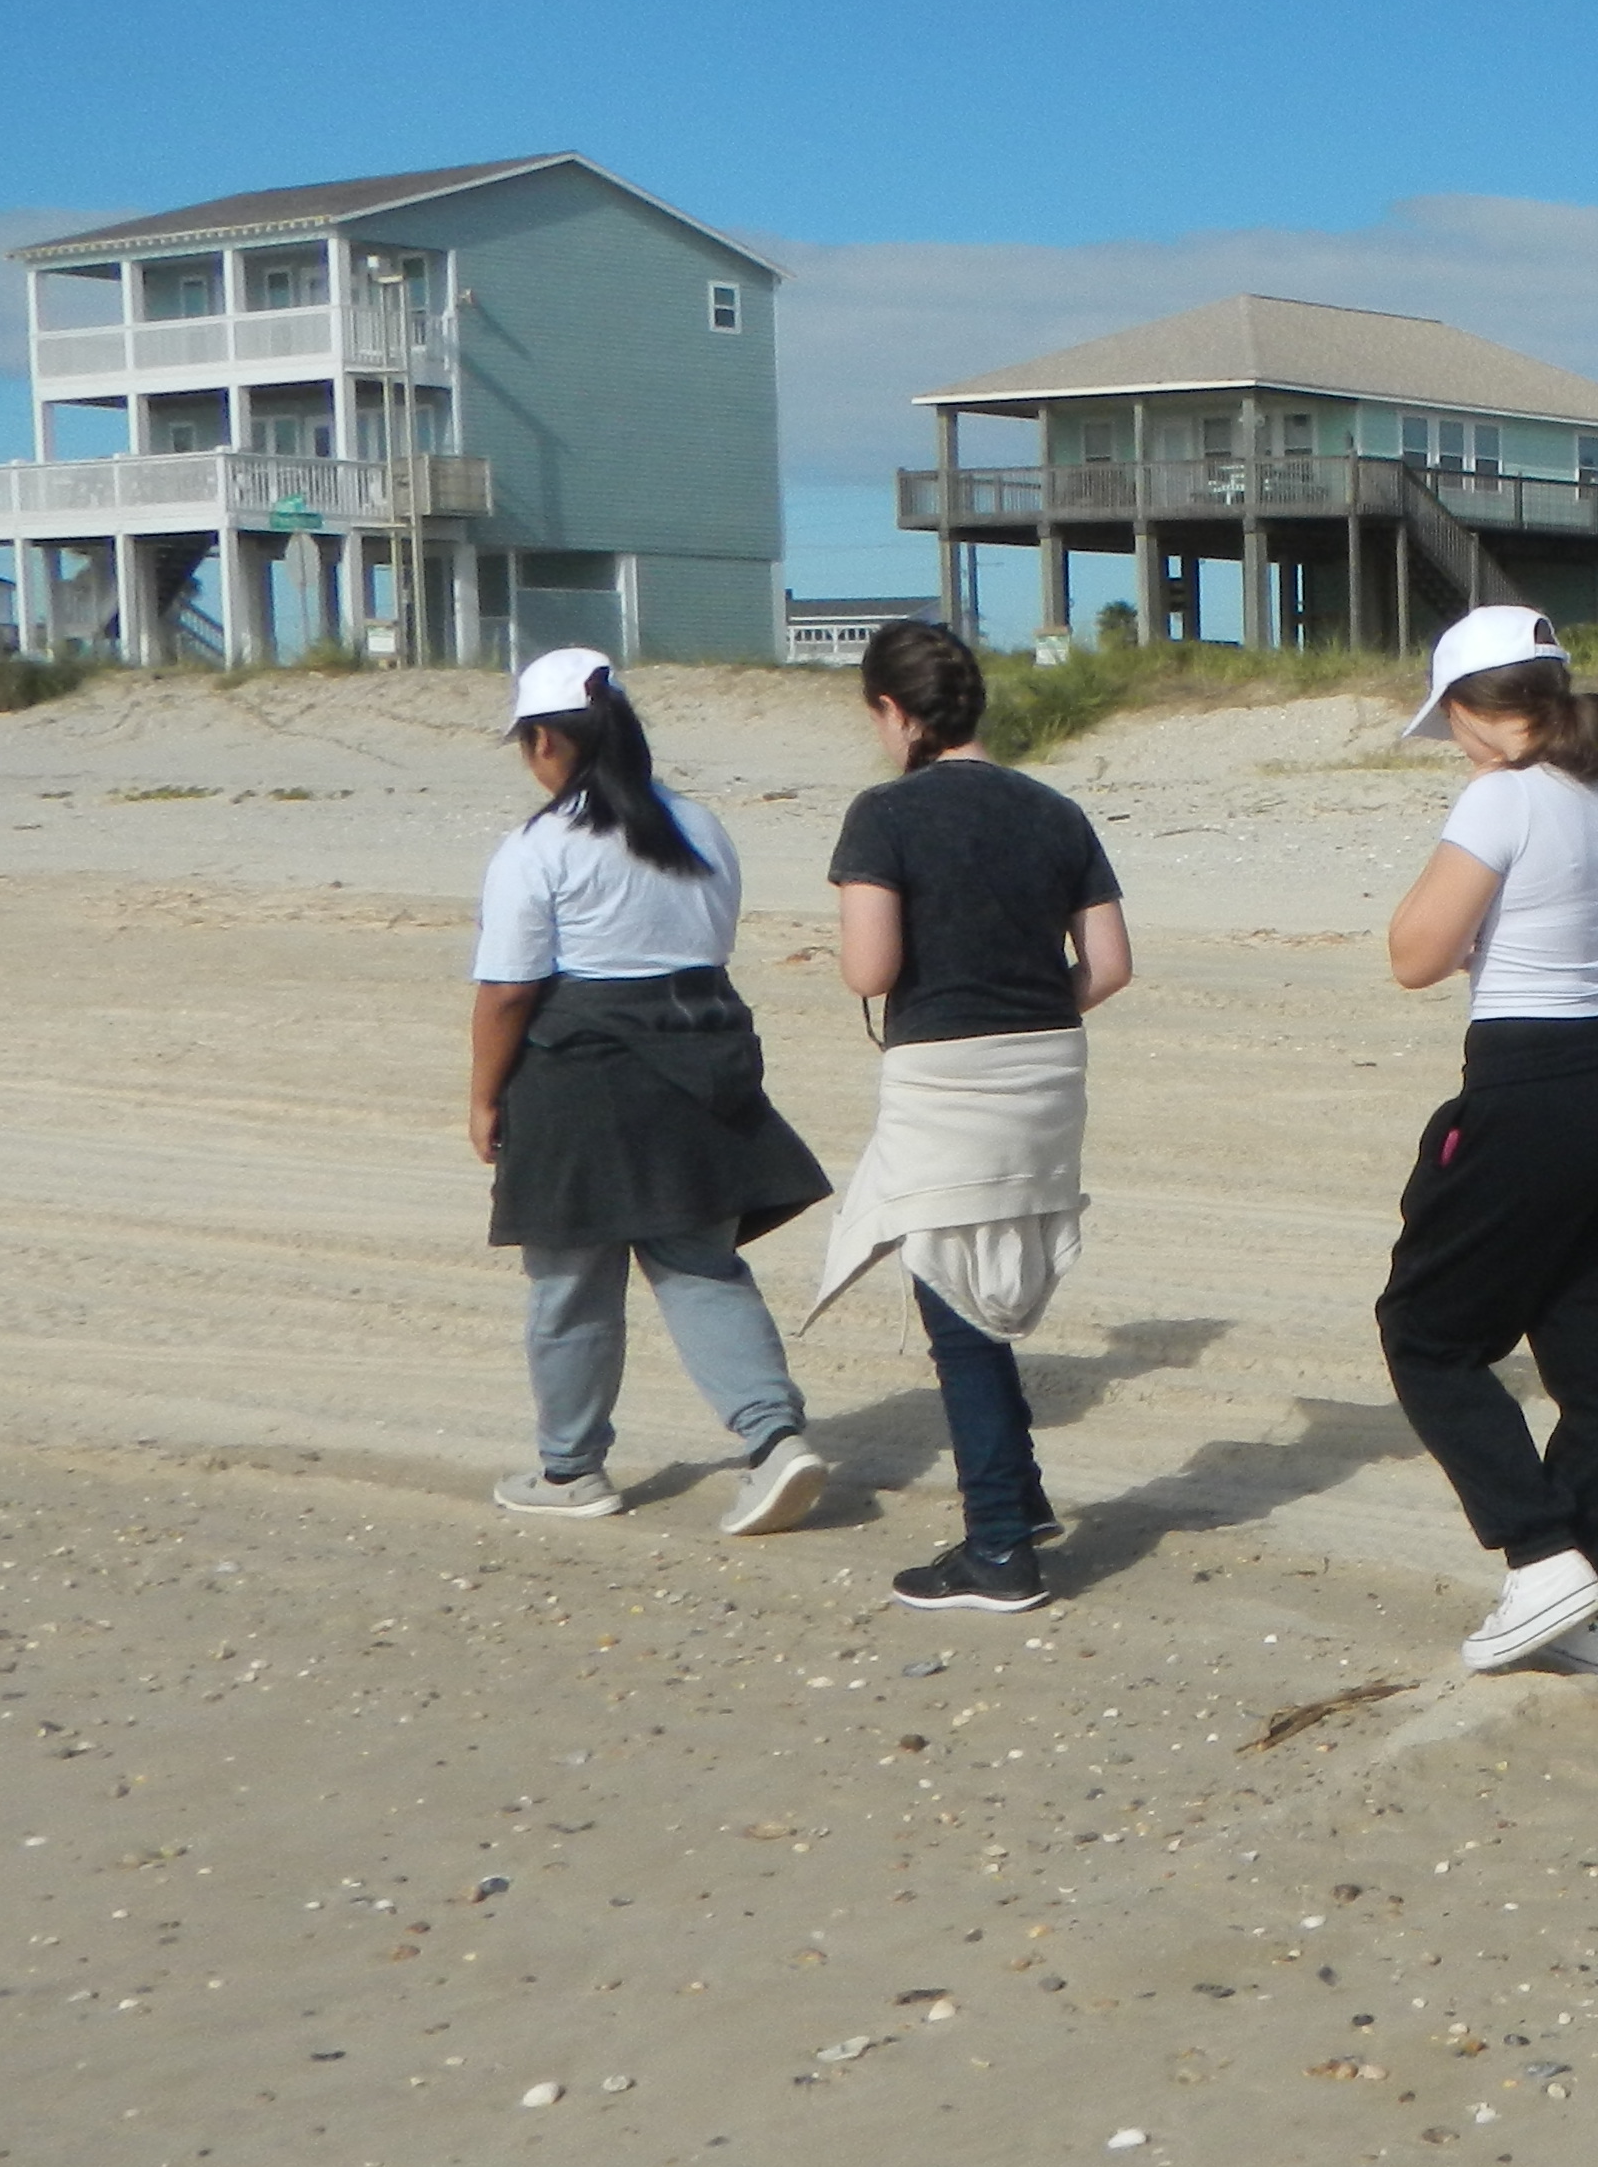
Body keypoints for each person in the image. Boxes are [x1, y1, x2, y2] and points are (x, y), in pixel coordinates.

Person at [1375, 606, 1598, 1684]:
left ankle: (1542, 1553)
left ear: (1473, 712)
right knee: (1595, 1355)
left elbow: (1413, 953)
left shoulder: (1499, 796)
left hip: (1531, 1088)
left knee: (1425, 1329)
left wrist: (1490, 940)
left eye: (1450, 720)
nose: (1451, 742)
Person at [806, 620, 1132, 1615]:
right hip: (1047, 1067)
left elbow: (871, 969)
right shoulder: (1055, 810)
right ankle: (1021, 1499)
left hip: (944, 1073)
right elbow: (1109, 966)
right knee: (987, 1279)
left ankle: (999, 1547)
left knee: (952, 1298)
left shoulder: (885, 815)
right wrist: (1031, 1006)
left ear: (896, 714)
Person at [468, 647, 832, 1530]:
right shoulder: (702, 827)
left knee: (570, 1279)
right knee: (701, 1263)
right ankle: (775, 1438)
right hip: (701, 1056)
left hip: (581, 1074)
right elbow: (710, 946)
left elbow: (510, 991)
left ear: (548, 741)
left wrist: (482, 1097)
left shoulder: (541, 846)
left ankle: (571, 1471)